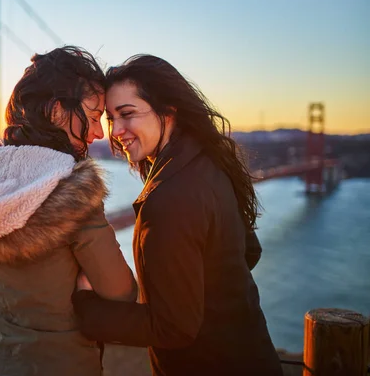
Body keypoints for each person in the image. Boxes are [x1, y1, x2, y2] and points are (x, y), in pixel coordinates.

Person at [72, 54, 283, 376]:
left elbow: (174, 328)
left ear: (168, 111)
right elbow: (248, 251)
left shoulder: (170, 198)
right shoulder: (210, 162)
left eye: (127, 114)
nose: (116, 131)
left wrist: (86, 307)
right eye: (111, 118)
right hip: (251, 353)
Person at [0, 46, 137, 376]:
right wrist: (83, 285)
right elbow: (121, 293)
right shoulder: (74, 190)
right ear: (57, 111)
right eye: (91, 117)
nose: (99, 132)